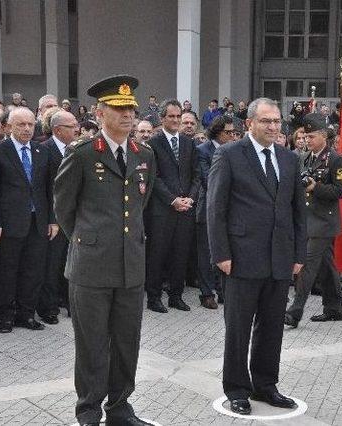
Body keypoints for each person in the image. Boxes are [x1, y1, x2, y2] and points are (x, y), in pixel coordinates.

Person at [54, 75, 156, 426]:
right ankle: (88, 412)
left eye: (131, 108)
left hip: (131, 265)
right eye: (119, 108)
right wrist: (90, 241)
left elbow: (141, 203)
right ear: (100, 113)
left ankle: (120, 408)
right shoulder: (82, 154)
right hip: (91, 269)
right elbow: (65, 210)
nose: (128, 115)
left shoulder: (145, 154)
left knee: (127, 344)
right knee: (92, 346)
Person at [207, 98, 306, 415]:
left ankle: (265, 385)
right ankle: (237, 388)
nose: (273, 127)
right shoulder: (229, 154)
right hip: (241, 257)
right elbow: (215, 208)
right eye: (266, 121)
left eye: (277, 121)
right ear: (249, 123)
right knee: (238, 327)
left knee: (272, 325)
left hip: (279, 257)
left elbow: (297, 212)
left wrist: (299, 253)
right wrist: (221, 253)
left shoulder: (289, 159)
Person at [0, 107, 58, 333]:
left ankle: (26, 314)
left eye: (30, 125)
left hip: (37, 222)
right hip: (8, 224)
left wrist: (53, 220)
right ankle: (6, 316)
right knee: (7, 271)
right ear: (9, 127)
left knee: (33, 271)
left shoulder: (41, 151)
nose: (27, 129)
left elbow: (50, 188)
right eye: (21, 125)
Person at [284, 113, 342, 328]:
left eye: (310, 136)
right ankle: (334, 308)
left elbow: (340, 191)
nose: (306, 140)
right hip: (308, 219)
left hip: (324, 222)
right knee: (327, 267)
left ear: (322, 135)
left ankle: (295, 311)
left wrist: (315, 187)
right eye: (304, 136)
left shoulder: (336, 159)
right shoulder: (304, 157)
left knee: (307, 265)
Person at [144, 99, 200, 313]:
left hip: (185, 208)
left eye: (179, 116)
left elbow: (196, 175)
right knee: (158, 254)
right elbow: (154, 177)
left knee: (180, 254)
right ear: (162, 118)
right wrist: (172, 200)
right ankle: (154, 297)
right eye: (172, 116)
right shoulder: (153, 144)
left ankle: (176, 296)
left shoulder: (189, 142)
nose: (176, 120)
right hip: (162, 210)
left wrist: (189, 199)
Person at [37, 110, 78, 325]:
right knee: (52, 265)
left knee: (72, 264)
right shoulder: (44, 149)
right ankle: (49, 308)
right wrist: (51, 219)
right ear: (58, 130)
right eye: (72, 126)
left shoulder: (78, 149)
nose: (77, 129)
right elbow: (43, 189)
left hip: (76, 218)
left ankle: (71, 305)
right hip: (54, 219)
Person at [195, 115, 235, 309]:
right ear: (218, 132)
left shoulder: (233, 150)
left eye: (234, 132)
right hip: (208, 208)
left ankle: (222, 291)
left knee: (223, 250)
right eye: (228, 132)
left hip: (230, 209)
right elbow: (206, 179)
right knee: (206, 253)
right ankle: (206, 292)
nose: (232, 136)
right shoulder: (203, 150)